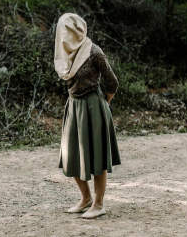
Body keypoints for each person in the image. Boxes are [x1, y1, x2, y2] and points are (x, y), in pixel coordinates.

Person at [54, 12, 121, 219]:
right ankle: (86, 199)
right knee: (71, 156)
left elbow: (112, 83)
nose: (62, 35)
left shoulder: (94, 52)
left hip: (93, 106)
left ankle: (99, 204)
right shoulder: (64, 53)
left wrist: (104, 105)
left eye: (65, 31)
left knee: (97, 157)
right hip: (73, 106)